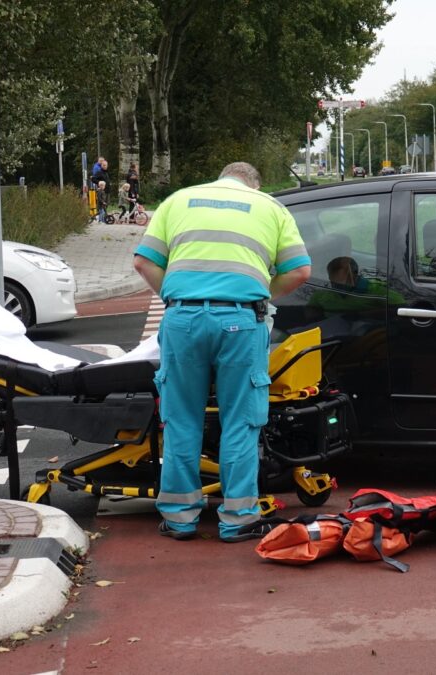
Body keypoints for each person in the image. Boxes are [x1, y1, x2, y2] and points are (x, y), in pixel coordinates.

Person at [133, 162, 311, 542]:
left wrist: (175, 297)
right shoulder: (270, 208)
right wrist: (261, 296)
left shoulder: (178, 200)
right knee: (241, 421)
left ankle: (180, 517)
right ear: (254, 183)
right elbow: (299, 271)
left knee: (181, 419)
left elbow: (143, 260)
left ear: (221, 178)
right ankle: (238, 517)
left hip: (183, 320)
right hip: (240, 322)